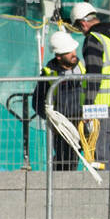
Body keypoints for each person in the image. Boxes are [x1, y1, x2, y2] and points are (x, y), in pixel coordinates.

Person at [69, 2, 110, 169]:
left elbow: (94, 74)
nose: (81, 32)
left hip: (101, 106)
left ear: (83, 23)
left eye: (79, 28)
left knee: (101, 155)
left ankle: (104, 194)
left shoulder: (93, 39)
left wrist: (88, 107)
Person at [34, 32, 84, 171]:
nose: (74, 53)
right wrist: (53, 121)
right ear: (59, 56)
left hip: (84, 122)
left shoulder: (83, 67)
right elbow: (37, 102)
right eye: (68, 52)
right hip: (63, 127)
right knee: (65, 162)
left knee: (94, 158)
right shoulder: (49, 73)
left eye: (73, 49)